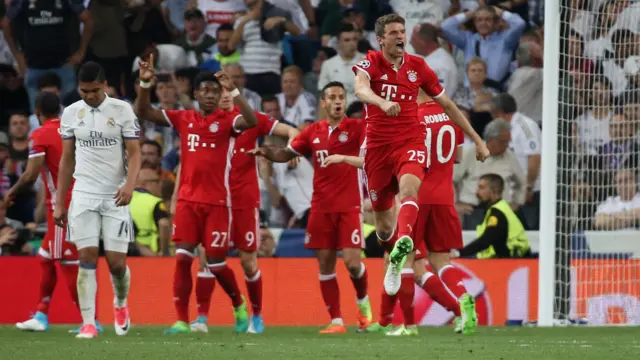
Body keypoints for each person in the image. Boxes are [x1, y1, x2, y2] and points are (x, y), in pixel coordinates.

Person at [352, 14, 488, 297]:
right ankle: (394, 250)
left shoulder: (418, 67)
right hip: (377, 148)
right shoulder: (371, 62)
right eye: (393, 33)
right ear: (381, 40)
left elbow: (449, 105)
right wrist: (381, 101)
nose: (400, 37)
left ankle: (404, 243)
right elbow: (360, 88)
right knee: (383, 227)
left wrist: (477, 140)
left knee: (410, 188)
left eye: (402, 31)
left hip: (409, 141)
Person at [324, 95, 476, 336]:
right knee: (438, 261)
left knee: (403, 261)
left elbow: (392, 161)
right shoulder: (450, 116)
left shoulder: (410, 118)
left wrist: (345, 159)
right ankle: (462, 298)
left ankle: (409, 324)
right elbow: (456, 158)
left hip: (413, 197)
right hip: (445, 196)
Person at [133, 55, 259, 334]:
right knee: (182, 258)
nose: (211, 95)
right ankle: (181, 319)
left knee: (215, 262)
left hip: (217, 203)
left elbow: (251, 121)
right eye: (206, 91)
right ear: (196, 94)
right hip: (188, 202)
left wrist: (234, 90)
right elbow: (143, 111)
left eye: (215, 91)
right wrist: (144, 82)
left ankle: (238, 304)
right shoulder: (184, 118)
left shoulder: (229, 122)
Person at [249, 81, 372, 334]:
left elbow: (373, 152)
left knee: (352, 263)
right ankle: (337, 321)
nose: (338, 101)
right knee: (325, 264)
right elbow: (286, 153)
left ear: (345, 101)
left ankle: (364, 306)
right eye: (332, 97)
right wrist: (266, 152)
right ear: (323, 103)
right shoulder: (313, 132)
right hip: (320, 207)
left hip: (349, 206)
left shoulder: (359, 128)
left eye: (341, 97)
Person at [190, 79, 299, 334]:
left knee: (249, 261)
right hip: (214, 200)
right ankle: (203, 318)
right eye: (221, 92)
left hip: (243, 201)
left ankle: (257, 317)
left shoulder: (250, 120)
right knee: (207, 258)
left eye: (229, 91)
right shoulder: (203, 123)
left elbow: (291, 131)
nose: (225, 96)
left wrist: (292, 150)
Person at [54, 62, 142, 339]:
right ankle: (88, 322)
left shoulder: (121, 110)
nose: (88, 96)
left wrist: (129, 185)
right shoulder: (71, 113)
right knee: (87, 257)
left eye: (93, 90)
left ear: (104, 85)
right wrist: (60, 202)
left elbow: (135, 153)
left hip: (115, 194)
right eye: (83, 91)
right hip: (84, 194)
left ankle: (120, 303)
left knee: (116, 264)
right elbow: (67, 160)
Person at [8, 93, 93, 332]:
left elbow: (31, 175)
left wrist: (9, 194)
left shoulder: (41, 134)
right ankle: (41, 315)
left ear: (37, 112)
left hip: (62, 207)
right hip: (78, 201)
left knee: (69, 263)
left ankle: (90, 319)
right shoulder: (72, 129)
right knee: (46, 258)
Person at [451, 173, 530, 259]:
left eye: (481, 188)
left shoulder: (498, 213)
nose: (476, 191)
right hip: (506, 259)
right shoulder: (497, 209)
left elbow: (486, 240)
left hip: (511, 261)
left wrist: (458, 253)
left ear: (494, 190)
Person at [130, 168, 171, 256]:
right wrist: (164, 251)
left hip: (127, 252)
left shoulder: (125, 200)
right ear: (144, 184)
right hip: (151, 254)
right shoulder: (156, 202)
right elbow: (164, 224)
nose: (160, 185)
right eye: (156, 182)